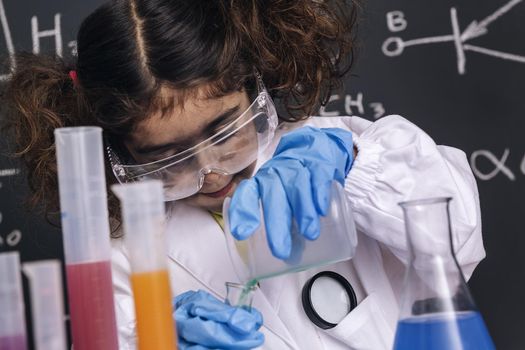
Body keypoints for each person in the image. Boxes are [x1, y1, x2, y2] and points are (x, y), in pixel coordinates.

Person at [1, 0, 486, 349]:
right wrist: (161, 339)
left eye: (225, 129)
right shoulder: (126, 258)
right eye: (170, 158)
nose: (210, 173)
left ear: (257, 85)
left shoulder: (340, 149)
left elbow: (458, 240)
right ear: (121, 154)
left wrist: (354, 166)